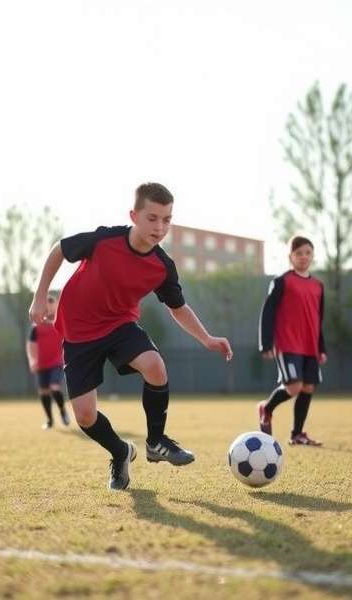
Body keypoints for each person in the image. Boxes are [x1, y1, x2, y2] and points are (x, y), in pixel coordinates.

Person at [28, 182, 233, 491]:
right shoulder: (104, 239)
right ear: (134, 215)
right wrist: (40, 296)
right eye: (152, 218)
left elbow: (178, 308)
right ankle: (121, 452)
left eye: (166, 219)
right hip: (78, 332)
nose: (159, 227)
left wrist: (206, 338)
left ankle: (156, 442)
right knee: (84, 416)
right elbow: (59, 249)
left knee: (155, 366)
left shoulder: (162, 266)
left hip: (119, 325)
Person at [257, 236, 326, 446]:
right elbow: (267, 312)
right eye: (299, 253)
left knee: (308, 388)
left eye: (307, 252)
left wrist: (321, 347)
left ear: (312, 255)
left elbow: (318, 318)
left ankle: (297, 434)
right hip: (287, 344)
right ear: (290, 257)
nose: (303, 257)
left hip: (310, 346)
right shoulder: (281, 281)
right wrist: (266, 343)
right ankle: (266, 409)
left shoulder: (318, 285)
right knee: (294, 387)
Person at [26, 294, 70, 429]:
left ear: (56, 306)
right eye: (47, 303)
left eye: (52, 302)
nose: (49, 305)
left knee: (54, 387)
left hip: (57, 363)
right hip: (41, 364)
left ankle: (63, 411)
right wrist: (32, 360)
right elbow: (31, 345)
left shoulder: (61, 323)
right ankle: (50, 420)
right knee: (44, 392)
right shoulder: (36, 327)